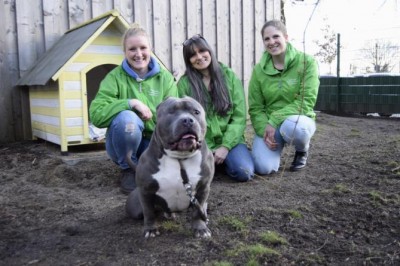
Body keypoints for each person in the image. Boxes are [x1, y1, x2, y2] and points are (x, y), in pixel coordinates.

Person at [89, 25, 178, 194]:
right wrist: (130, 103)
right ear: (125, 52)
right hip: (123, 143)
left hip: (153, 143)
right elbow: (96, 115)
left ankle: (151, 167)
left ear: (150, 49)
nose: (138, 54)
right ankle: (128, 169)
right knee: (126, 118)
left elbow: (173, 116)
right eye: (132, 49)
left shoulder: (165, 79)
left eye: (143, 48)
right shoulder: (114, 78)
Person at [177, 34, 254, 182]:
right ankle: (214, 163)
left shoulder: (229, 76)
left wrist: (225, 146)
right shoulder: (184, 84)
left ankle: (225, 160)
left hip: (230, 142)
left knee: (245, 172)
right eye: (193, 55)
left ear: (209, 51)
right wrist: (202, 147)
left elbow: (239, 117)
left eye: (202, 51)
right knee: (191, 178)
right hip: (200, 144)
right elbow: (183, 121)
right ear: (188, 61)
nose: (199, 57)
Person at [248, 20, 319, 174]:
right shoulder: (258, 71)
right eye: (267, 39)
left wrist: (274, 119)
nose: (271, 42)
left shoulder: (307, 62)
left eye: (276, 37)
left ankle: (302, 149)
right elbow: (256, 107)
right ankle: (273, 149)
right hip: (269, 127)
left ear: (286, 37)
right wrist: (263, 132)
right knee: (263, 168)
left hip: (296, 119)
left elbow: (305, 102)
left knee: (296, 128)